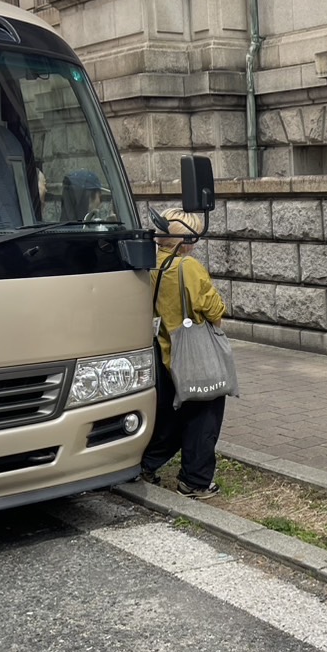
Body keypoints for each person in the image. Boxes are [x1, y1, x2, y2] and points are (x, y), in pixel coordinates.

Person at [140, 208, 228, 497]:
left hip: (164, 350)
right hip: (192, 355)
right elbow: (214, 310)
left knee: (171, 416)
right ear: (186, 240)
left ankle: (145, 464)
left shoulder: (151, 263)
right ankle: (195, 481)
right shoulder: (187, 267)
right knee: (204, 414)